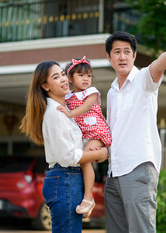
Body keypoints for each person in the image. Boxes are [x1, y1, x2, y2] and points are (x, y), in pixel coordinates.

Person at [104, 31, 166, 232]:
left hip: (138, 168)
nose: (122, 56)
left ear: (134, 56)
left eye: (127, 51)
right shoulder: (111, 92)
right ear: (109, 57)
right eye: (117, 52)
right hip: (113, 171)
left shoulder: (143, 79)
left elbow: (158, 66)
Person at [20, 60, 108, 233]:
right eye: (55, 77)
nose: (63, 79)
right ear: (45, 86)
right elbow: (67, 157)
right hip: (65, 178)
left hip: (68, 179)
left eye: (62, 74)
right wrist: (104, 152)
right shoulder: (55, 114)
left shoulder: (67, 109)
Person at [57, 56, 111, 218]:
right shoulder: (67, 97)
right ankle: (85, 197)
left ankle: (88, 198)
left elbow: (86, 107)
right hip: (82, 136)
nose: (86, 78)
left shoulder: (91, 92)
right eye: (81, 75)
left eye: (88, 75)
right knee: (83, 162)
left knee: (85, 160)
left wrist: (70, 113)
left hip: (96, 132)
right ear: (70, 78)